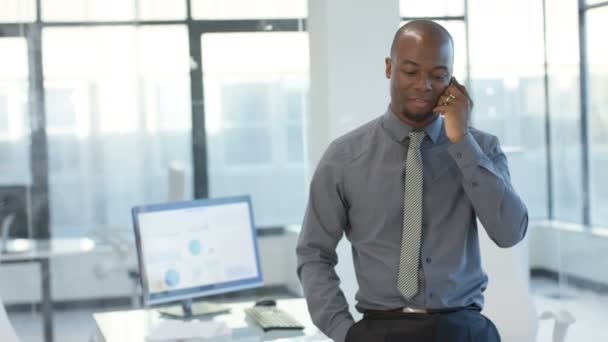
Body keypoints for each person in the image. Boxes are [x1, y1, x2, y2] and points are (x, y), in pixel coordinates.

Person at [296, 20, 528, 342]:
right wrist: (344, 332)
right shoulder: (343, 158)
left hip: (463, 328)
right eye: (411, 72)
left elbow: (509, 232)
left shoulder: (482, 149)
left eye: (437, 75)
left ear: (452, 80)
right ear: (389, 68)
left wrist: (461, 140)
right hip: (379, 327)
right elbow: (314, 253)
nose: (424, 85)